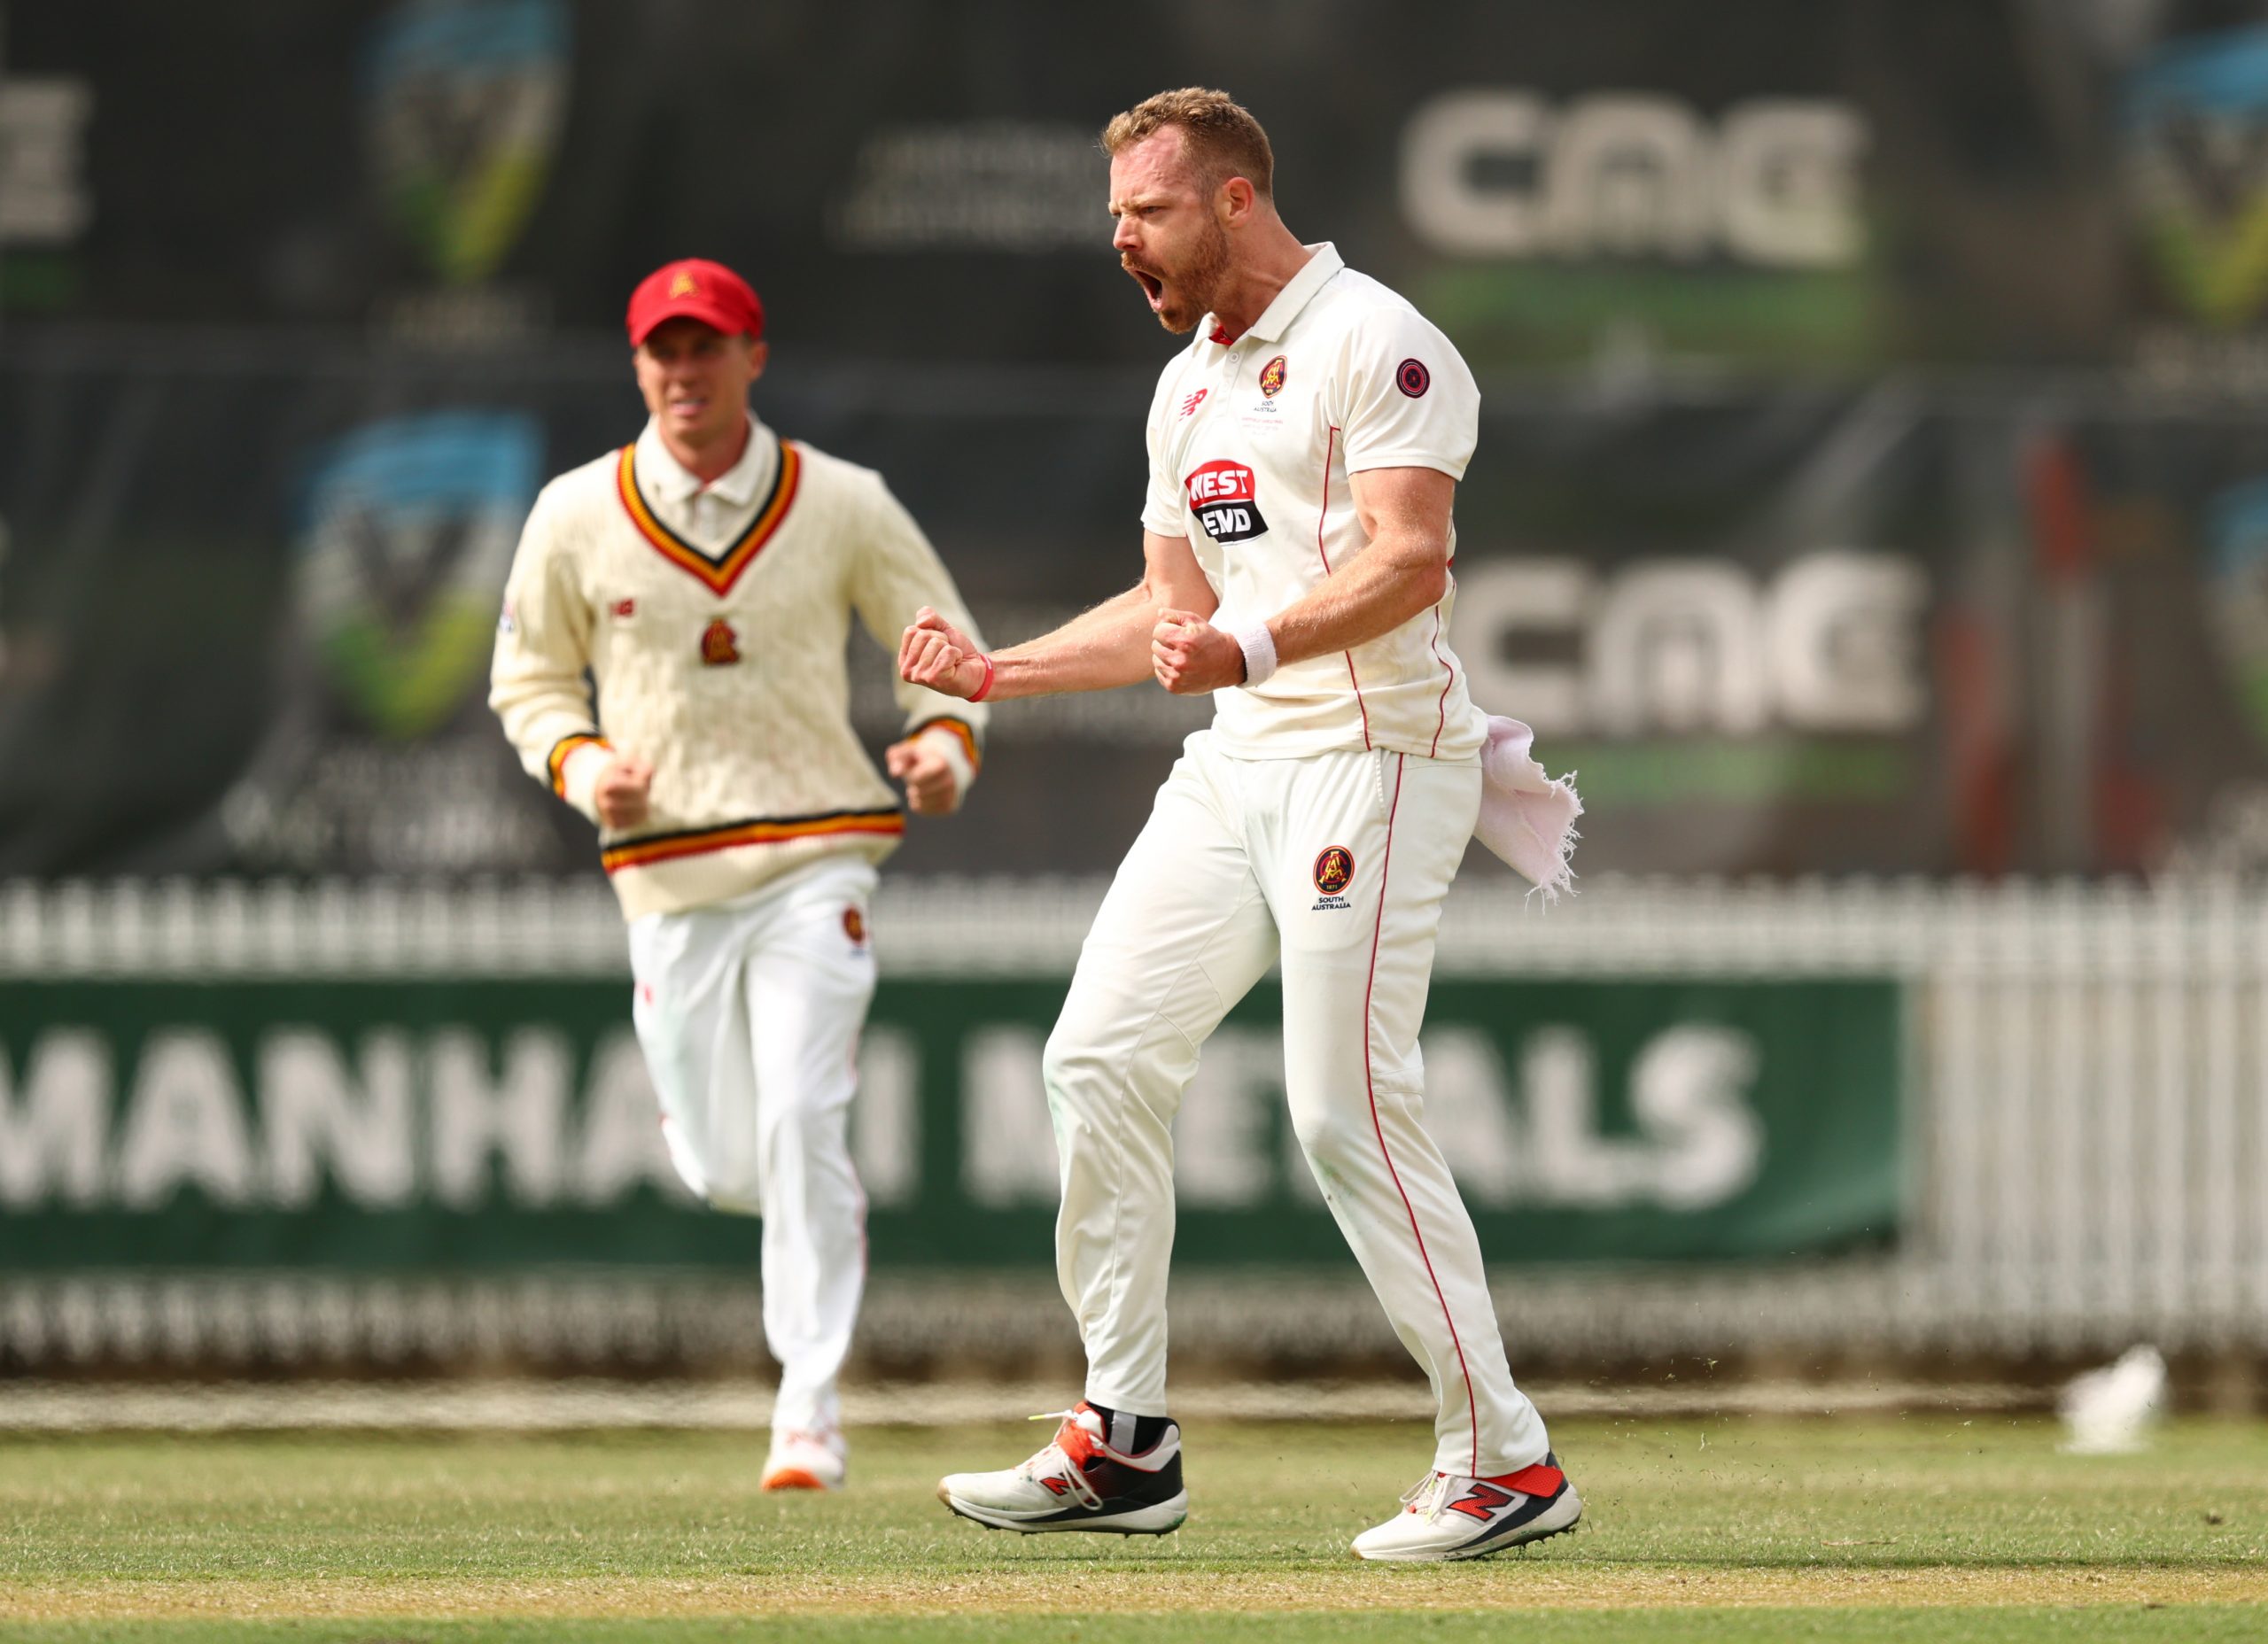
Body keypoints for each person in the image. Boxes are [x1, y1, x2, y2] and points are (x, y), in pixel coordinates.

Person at [898, 89, 1580, 1562]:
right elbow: (1169, 612)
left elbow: (1412, 560)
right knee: (1099, 1055)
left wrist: (1252, 650)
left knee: (1341, 1107)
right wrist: (1000, 670)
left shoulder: (1378, 339)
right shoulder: (1187, 385)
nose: (1123, 244)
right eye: (1113, 222)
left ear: (1231, 201)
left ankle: (1504, 1461)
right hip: (1240, 762)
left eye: (1143, 215)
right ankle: (1124, 1441)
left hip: (1372, 754)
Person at [492, 257, 989, 1493]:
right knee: (722, 1161)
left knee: (801, 1115)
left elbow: (941, 649)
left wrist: (943, 744)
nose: (682, 372)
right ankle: (797, 1267)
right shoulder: (575, 512)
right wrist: (580, 759)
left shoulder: (843, 502)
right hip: (669, 881)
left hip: (819, 858)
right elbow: (528, 683)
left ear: (753, 358)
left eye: (706, 347)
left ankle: (808, 1406)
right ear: (636, 365)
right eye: (661, 350)